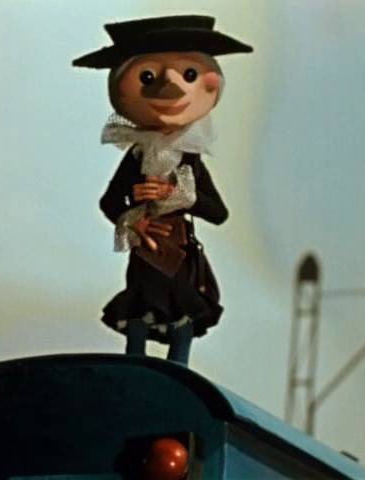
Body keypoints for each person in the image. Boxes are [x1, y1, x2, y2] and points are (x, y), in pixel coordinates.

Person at [73, 15, 253, 365]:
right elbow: (109, 201)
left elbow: (218, 212)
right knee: (139, 318)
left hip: (178, 250)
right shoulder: (137, 156)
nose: (170, 88)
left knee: (181, 321)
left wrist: (177, 194)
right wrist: (134, 222)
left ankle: (177, 375)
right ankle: (136, 372)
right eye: (147, 77)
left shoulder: (190, 157)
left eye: (189, 74)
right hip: (145, 252)